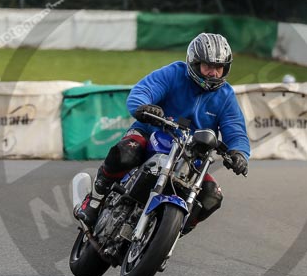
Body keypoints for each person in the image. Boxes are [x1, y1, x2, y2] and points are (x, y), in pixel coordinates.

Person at [77, 32, 250, 233]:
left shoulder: (226, 95)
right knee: (126, 152)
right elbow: (143, 90)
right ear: (194, 64)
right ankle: (95, 199)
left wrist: (239, 153)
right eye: (208, 66)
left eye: (219, 67)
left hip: (190, 156)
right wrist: (145, 107)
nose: (213, 73)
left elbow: (235, 129)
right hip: (153, 132)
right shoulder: (174, 73)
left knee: (212, 196)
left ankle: (171, 233)